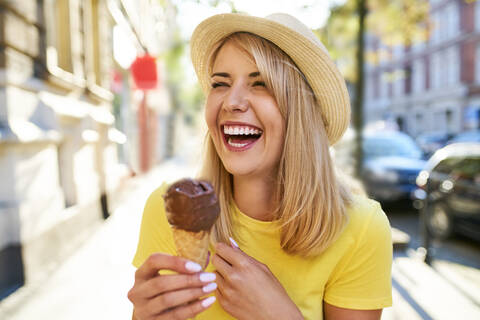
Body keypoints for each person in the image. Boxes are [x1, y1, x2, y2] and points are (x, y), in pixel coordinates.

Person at [127, 13, 392, 320]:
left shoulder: (361, 229)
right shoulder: (171, 210)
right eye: (220, 84)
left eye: (261, 84)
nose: (232, 101)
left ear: (301, 113)